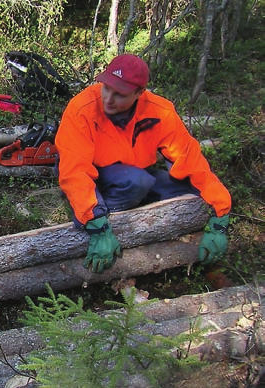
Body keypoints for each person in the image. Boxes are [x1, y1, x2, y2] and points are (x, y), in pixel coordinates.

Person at [56, 54, 232, 273]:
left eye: (119, 94)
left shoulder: (160, 111)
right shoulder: (82, 109)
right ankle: (93, 211)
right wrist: (97, 225)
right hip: (94, 175)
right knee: (137, 182)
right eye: (106, 88)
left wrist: (220, 218)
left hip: (136, 172)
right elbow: (74, 171)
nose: (108, 99)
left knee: (188, 191)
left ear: (139, 93)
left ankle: (119, 204)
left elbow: (192, 162)